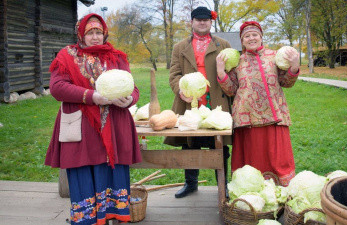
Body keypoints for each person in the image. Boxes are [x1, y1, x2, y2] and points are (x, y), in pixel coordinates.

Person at [44, 13, 142, 225]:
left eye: (99, 32)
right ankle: (87, 217)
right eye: (90, 33)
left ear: (105, 33)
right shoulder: (66, 56)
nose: (95, 37)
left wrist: (130, 100)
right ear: (81, 34)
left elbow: (132, 87)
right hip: (82, 125)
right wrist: (92, 96)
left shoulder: (116, 57)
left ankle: (111, 213)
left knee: (110, 167)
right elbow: (57, 87)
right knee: (83, 167)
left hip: (114, 123)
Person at [216, 21, 300, 186]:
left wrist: (295, 66)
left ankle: (281, 191)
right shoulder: (237, 62)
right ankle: (251, 191)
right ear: (242, 41)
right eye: (247, 36)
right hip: (248, 121)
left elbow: (286, 82)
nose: (251, 38)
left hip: (274, 117)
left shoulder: (275, 56)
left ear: (261, 37)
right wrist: (220, 71)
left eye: (255, 34)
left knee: (277, 159)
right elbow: (231, 89)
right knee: (252, 163)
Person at [164, 6, 232, 198]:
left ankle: (223, 185)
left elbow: (232, 72)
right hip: (189, 103)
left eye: (206, 19)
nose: (202, 22)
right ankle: (191, 183)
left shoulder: (223, 44)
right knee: (190, 144)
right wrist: (180, 91)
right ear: (192, 22)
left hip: (216, 102)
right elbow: (174, 74)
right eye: (198, 19)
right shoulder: (180, 47)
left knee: (219, 146)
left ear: (211, 22)